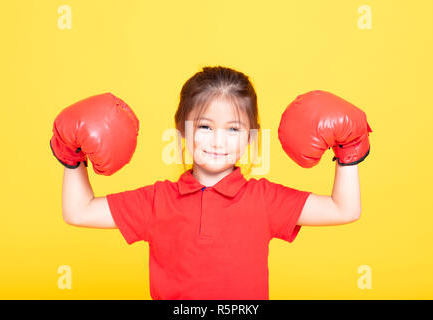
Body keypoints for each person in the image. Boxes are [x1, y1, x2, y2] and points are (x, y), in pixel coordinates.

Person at [57, 66, 371, 300]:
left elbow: (344, 209)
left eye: (233, 129)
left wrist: (349, 151)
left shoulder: (264, 199)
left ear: (250, 138)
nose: (218, 140)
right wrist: (72, 155)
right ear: (181, 132)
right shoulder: (156, 201)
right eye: (205, 126)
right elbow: (79, 212)